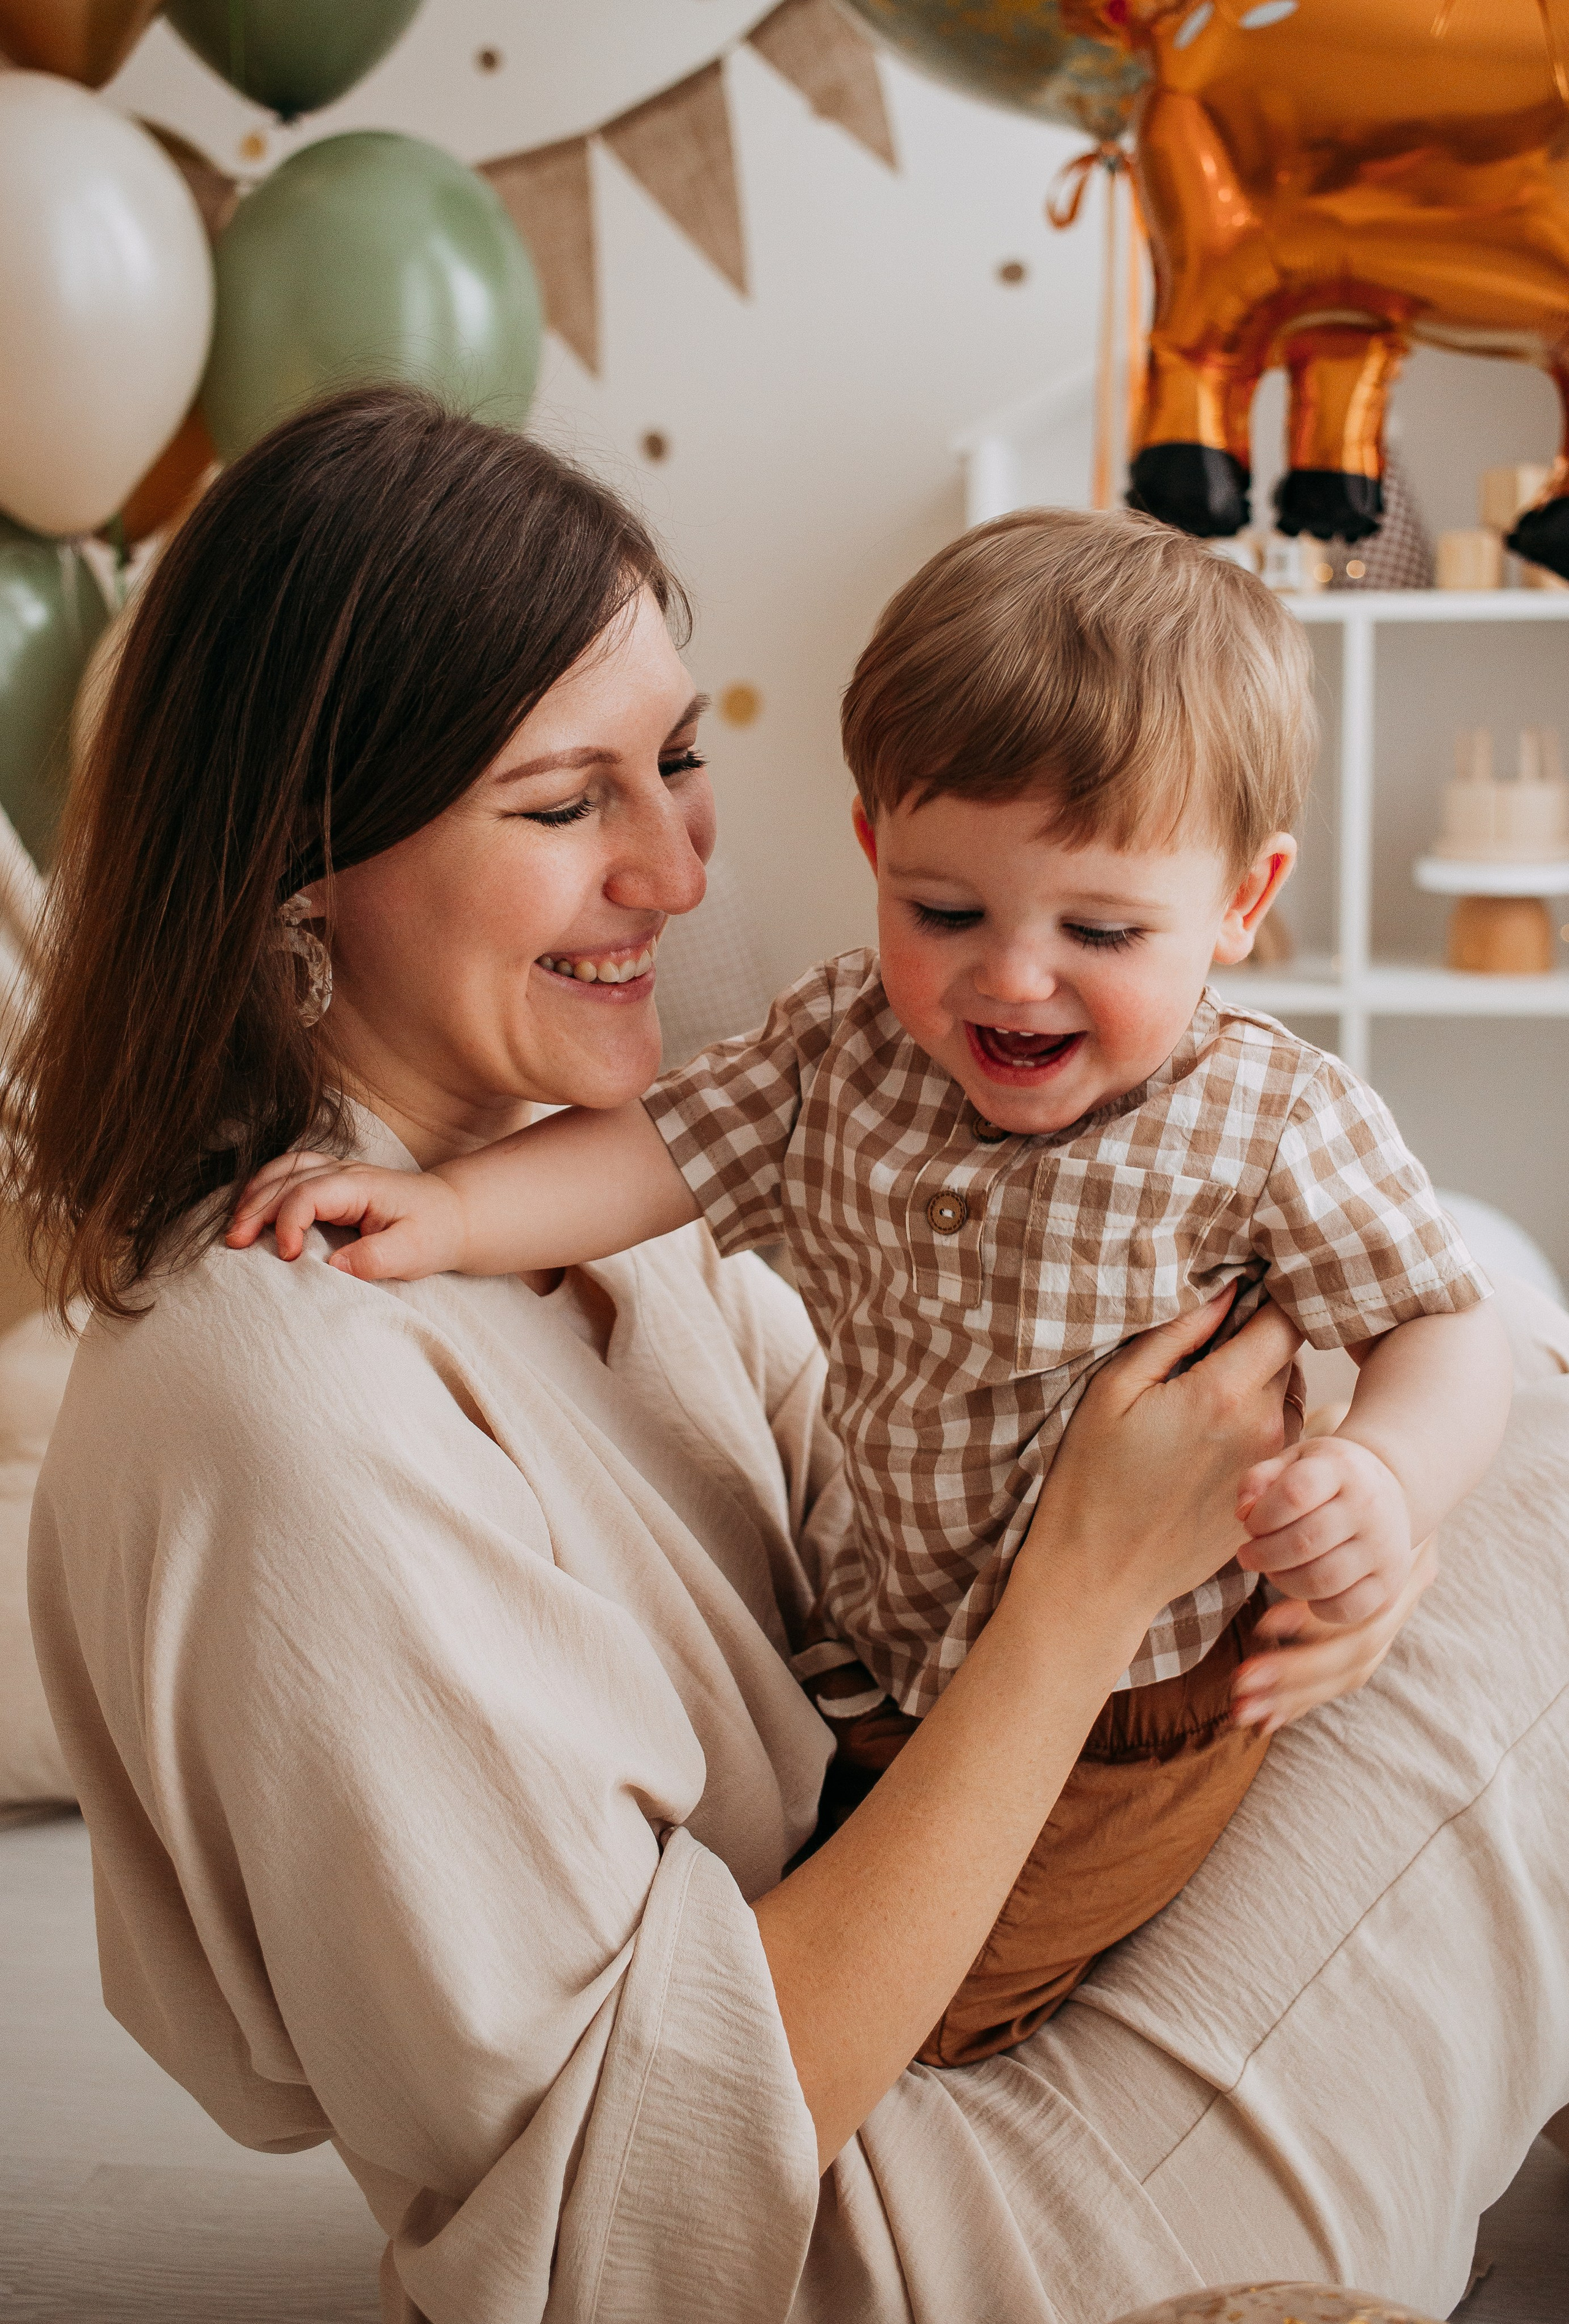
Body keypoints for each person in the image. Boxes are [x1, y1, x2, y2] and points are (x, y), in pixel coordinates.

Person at [10, 388, 1568, 2324]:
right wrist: (1092, 1591)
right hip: (874, 2233)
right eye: (568, 803)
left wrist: (1342, 1531)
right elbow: (633, 2230)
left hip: (953, 1949)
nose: (672, 869)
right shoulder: (280, 1401)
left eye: (674, 757)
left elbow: (915, 1489)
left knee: (1493, 1404)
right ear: (303, 855)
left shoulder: (574, 1195)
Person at [229, 511, 1510, 2067]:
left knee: (935, 2018)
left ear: (1242, 901)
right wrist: (443, 1211)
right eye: (943, 911)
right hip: (883, 1657)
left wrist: (1382, 1479)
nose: (1011, 978)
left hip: (1131, 1713)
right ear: (871, 855)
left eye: (1098, 930)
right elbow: (658, 1153)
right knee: (837, 1905)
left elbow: (1441, 1326)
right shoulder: (844, 1044)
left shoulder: (1270, 1121)